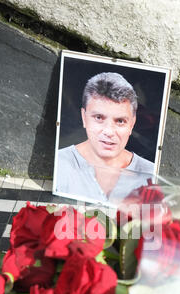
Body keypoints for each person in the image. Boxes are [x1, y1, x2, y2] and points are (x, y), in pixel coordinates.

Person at [54, 72, 155, 204]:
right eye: (99, 118)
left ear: (132, 124)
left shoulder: (151, 174)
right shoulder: (59, 164)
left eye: (120, 121)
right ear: (84, 117)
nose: (108, 132)